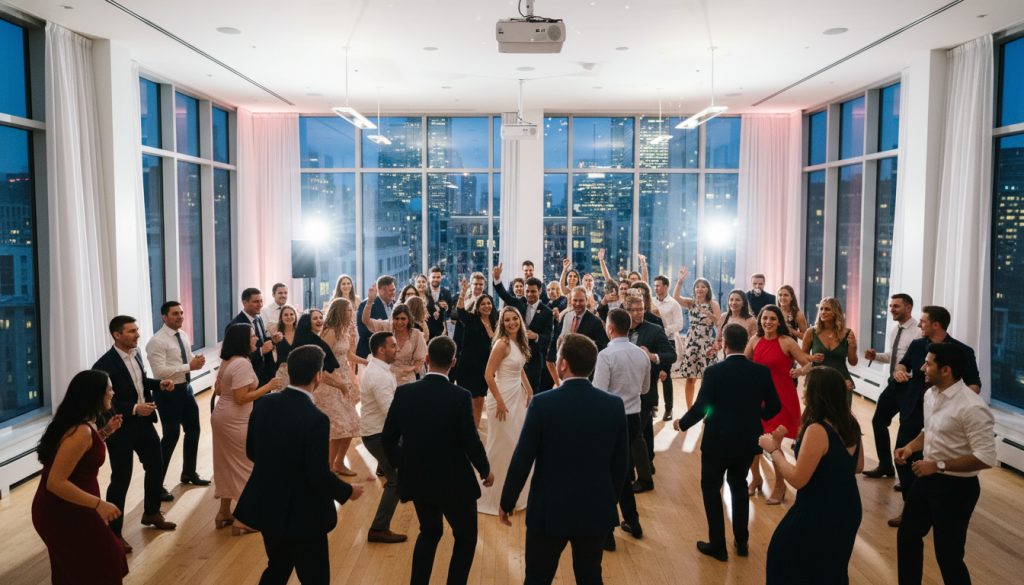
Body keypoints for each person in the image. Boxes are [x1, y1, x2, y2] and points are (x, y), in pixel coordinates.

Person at [499, 333, 629, 585]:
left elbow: (522, 459)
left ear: (562, 364)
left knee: (538, 577)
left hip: (549, 510)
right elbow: (620, 464)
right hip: (595, 508)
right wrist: (607, 499)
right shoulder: (613, 405)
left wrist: (507, 501)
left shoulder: (542, 403)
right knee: (590, 576)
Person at [233, 345, 364, 585]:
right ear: (318, 376)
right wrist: (348, 491)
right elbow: (318, 475)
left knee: (277, 568)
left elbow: (252, 452)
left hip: (269, 505)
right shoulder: (316, 419)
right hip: (304, 514)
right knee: (315, 577)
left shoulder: (264, 404)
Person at [382, 336, 493, 585]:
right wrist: (485, 469)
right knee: (465, 539)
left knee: (429, 533)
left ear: (427, 359)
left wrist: (403, 464)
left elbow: (388, 438)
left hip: (419, 479)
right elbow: (470, 440)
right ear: (453, 362)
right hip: (455, 482)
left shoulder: (404, 392)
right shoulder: (460, 396)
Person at [673, 324, 781, 561]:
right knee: (739, 485)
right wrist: (758, 416)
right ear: (745, 344)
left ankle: (717, 545)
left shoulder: (714, 372)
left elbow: (702, 407)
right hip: (746, 441)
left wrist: (681, 424)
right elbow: (775, 406)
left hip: (717, 442)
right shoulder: (760, 372)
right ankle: (742, 542)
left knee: (711, 490)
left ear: (724, 344)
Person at [895, 342, 996, 585]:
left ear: (946, 370)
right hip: (927, 479)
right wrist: (911, 446)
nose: (922, 368)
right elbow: (929, 430)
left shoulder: (972, 407)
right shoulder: (930, 394)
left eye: (928, 363)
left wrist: (938, 465)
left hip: (956, 489)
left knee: (948, 556)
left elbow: (985, 457)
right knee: (907, 537)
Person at [759, 367, 865, 585]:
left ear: (817, 393)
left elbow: (798, 479)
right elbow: (858, 466)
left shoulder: (817, 429)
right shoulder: (850, 423)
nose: (803, 391)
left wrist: (773, 450)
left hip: (819, 510)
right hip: (848, 507)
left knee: (784, 561)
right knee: (830, 570)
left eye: (806, 386)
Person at [889, 306, 981, 527]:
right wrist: (899, 370)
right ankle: (911, 507)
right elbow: (905, 363)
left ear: (936, 325)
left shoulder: (961, 351)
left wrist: (954, 402)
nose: (919, 324)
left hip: (946, 416)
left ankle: (924, 508)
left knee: (932, 461)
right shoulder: (918, 345)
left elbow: (975, 384)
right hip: (914, 409)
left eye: (923, 321)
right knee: (902, 457)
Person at [32, 370, 128, 583]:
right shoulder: (80, 432)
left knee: (73, 570)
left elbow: (81, 458)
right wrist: (99, 505)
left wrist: (104, 433)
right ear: (95, 395)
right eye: (109, 389)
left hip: (70, 506)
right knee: (106, 560)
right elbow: (55, 483)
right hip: (61, 510)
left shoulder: (82, 425)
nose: (113, 393)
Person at [92, 315, 177, 552]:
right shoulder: (103, 365)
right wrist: (133, 408)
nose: (137, 334)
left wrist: (158, 384)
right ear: (117, 335)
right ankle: (114, 533)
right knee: (121, 478)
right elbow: (105, 400)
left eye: (137, 330)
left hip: (143, 422)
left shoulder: (136, 354)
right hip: (120, 426)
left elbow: (138, 383)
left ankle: (151, 513)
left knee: (156, 465)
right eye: (131, 331)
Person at [211, 324, 282, 534]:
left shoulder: (228, 361)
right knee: (247, 466)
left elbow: (217, 389)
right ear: (243, 340)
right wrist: (268, 387)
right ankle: (244, 519)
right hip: (235, 419)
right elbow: (241, 398)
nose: (256, 340)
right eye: (252, 336)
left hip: (221, 416)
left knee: (225, 464)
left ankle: (224, 512)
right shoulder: (241, 363)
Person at [593, 308, 651, 551]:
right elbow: (646, 389)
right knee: (625, 471)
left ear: (609, 328)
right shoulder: (642, 355)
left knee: (605, 474)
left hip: (610, 418)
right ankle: (633, 520)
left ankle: (607, 532)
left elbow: (598, 392)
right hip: (633, 417)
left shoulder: (605, 356)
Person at [745, 305, 813, 504]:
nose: (768, 322)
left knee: (773, 442)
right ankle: (756, 478)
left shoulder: (787, 341)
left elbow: (806, 363)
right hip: (758, 397)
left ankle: (780, 486)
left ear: (779, 322)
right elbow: (743, 361)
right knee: (753, 440)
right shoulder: (755, 340)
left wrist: (800, 371)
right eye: (765, 318)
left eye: (773, 319)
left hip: (781, 398)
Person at [145, 301, 208, 497]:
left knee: (193, 430)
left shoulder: (183, 334)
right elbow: (159, 371)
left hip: (186, 389)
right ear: (164, 317)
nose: (180, 316)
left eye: (181, 313)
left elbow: (188, 360)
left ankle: (189, 473)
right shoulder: (156, 341)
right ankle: (156, 485)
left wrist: (196, 361)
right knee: (171, 435)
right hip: (167, 392)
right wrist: (189, 366)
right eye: (175, 314)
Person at [478, 306, 535, 516]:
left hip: (516, 398)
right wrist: (500, 402)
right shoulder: (501, 344)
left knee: (515, 446)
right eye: (508, 320)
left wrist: (528, 390)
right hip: (500, 398)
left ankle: (513, 494)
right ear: (502, 323)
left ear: (520, 321)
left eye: (515, 319)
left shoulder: (518, 342)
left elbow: (519, 369)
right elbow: (488, 375)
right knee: (502, 444)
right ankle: (493, 496)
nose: (512, 323)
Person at [621, 295, 677, 492]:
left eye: (641, 309)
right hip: (621, 392)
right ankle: (628, 476)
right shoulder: (618, 330)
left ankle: (645, 479)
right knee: (629, 435)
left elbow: (672, 355)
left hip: (645, 392)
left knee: (635, 434)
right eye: (634, 310)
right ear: (625, 310)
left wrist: (652, 356)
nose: (638, 313)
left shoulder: (654, 330)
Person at [862, 293, 919, 479]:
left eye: (896, 306)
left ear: (908, 308)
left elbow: (915, 362)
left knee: (907, 430)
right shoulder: (896, 330)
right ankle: (886, 466)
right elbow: (893, 356)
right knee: (878, 420)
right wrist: (876, 357)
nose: (891, 309)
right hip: (894, 384)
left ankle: (907, 477)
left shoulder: (918, 332)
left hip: (909, 387)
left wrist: (907, 374)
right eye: (891, 306)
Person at [359, 331, 408, 544]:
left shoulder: (380, 368)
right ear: (381, 350)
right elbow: (391, 411)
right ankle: (378, 529)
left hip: (380, 433)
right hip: (377, 435)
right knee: (395, 481)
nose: (397, 349)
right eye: (393, 346)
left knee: (399, 476)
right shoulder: (378, 375)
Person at [313, 302, 364, 477]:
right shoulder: (330, 331)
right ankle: (326, 468)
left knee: (351, 424)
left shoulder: (344, 331)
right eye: (349, 310)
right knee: (337, 428)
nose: (352, 312)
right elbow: (321, 362)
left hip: (345, 380)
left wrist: (366, 361)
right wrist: (338, 383)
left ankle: (339, 462)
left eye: (352, 309)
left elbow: (348, 355)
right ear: (340, 312)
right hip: (330, 383)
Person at [493, 264, 554, 394]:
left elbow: (548, 338)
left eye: (533, 291)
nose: (529, 294)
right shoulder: (519, 302)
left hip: (534, 360)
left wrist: (536, 336)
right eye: (527, 291)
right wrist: (497, 278)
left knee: (531, 392)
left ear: (540, 291)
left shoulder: (547, 312)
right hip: (513, 355)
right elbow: (504, 294)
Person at [674, 267, 721, 411]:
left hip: (706, 341)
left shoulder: (713, 304)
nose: (700, 289)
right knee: (690, 377)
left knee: (706, 379)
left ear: (708, 289)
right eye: (697, 287)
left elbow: (718, 322)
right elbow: (676, 297)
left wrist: (708, 314)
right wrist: (680, 281)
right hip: (692, 341)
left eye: (703, 287)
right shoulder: (691, 303)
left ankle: (706, 411)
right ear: (694, 289)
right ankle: (690, 410)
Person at [363, 285, 428, 385]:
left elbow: (420, 360)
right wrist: (370, 301)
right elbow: (366, 321)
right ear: (392, 318)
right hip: (385, 378)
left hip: (407, 379)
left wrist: (413, 368)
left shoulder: (416, 335)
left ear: (409, 320)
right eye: (396, 318)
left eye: (403, 319)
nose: (399, 322)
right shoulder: (387, 327)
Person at [453, 283, 498, 426]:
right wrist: (463, 292)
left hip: (485, 367)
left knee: (479, 400)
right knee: (468, 398)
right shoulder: (471, 319)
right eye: (483, 304)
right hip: (468, 365)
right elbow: (459, 310)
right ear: (478, 307)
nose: (486, 306)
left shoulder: (495, 322)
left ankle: (475, 429)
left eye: (489, 303)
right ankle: (463, 427)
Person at [546, 287, 609, 387]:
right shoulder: (566, 316)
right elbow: (557, 339)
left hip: (584, 372)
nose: (578, 303)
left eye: (581, 300)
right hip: (564, 370)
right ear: (571, 300)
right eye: (575, 300)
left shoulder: (595, 321)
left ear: (586, 300)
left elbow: (602, 346)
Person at [803, 297, 859, 406]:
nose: (823, 312)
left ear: (836, 312)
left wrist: (853, 346)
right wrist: (811, 358)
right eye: (821, 309)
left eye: (827, 309)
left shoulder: (848, 333)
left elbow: (853, 362)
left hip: (842, 381)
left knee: (841, 420)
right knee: (816, 418)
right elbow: (802, 356)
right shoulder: (811, 332)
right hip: (817, 381)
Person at [651, 274, 684, 421]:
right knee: (652, 375)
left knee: (665, 375)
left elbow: (679, 325)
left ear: (666, 286)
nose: (656, 288)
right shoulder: (651, 302)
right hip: (652, 342)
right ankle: (654, 406)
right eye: (655, 285)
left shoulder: (674, 304)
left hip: (667, 342)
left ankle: (669, 409)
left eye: (658, 285)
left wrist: (662, 331)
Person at [229, 288, 278, 385]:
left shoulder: (258, 318)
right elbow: (235, 356)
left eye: (261, 301)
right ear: (244, 303)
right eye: (256, 302)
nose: (260, 304)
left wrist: (273, 340)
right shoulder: (235, 325)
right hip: (248, 377)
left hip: (264, 374)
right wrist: (261, 351)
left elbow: (261, 340)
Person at [357, 275, 397, 358]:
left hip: (388, 354)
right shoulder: (366, 305)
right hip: (370, 354)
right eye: (391, 290)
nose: (394, 292)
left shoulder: (394, 304)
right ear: (382, 290)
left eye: (394, 289)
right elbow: (364, 331)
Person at [715, 290, 757, 355]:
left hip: (744, 355)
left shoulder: (751, 320)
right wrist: (716, 348)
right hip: (724, 355)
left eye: (737, 300)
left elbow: (754, 342)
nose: (734, 302)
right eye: (731, 300)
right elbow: (718, 339)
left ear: (743, 303)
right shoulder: (724, 317)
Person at [426, 266, 454, 339]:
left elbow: (450, 311)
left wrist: (447, 307)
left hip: (441, 331)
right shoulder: (424, 292)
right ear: (429, 278)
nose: (436, 279)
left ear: (441, 278)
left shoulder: (446, 292)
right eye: (433, 277)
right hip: (426, 331)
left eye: (438, 277)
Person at [271, 304, 299, 370]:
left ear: (295, 316)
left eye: (291, 314)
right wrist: (273, 342)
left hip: (299, 370)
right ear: (281, 318)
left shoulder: (300, 333)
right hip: (282, 371)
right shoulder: (277, 335)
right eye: (286, 315)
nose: (289, 317)